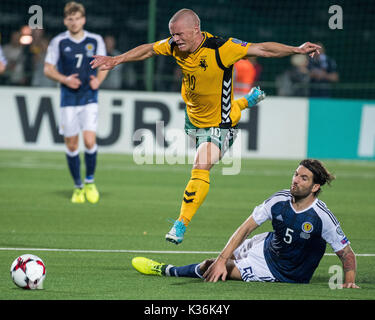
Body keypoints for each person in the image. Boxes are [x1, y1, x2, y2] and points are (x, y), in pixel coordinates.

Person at [90, 8, 321, 244]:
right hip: (192, 120)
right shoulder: (174, 45)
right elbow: (149, 49)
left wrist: (296, 49)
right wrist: (116, 59)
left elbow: (262, 48)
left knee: (201, 166)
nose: (175, 39)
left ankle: (181, 224)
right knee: (212, 131)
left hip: (220, 125)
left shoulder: (222, 48)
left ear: (196, 30)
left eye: (179, 34)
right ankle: (246, 101)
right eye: (173, 34)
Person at [132, 159, 359, 288]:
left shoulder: (321, 217)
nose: (295, 180)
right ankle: (218, 261)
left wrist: (349, 283)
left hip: (279, 272)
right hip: (267, 245)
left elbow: (347, 254)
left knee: (211, 268)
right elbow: (246, 228)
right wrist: (224, 257)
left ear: (315, 187)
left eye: (303, 178)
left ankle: (165, 270)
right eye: (295, 174)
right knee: (221, 260)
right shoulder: (279, 200)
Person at [44, 1, 108, 203]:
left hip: (89, 97)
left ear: (84, 19)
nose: (74, 22)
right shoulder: (58, 42)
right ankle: (78, 186)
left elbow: (105, 64)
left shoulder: (95, 40)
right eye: (70, 19)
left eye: (77, 18)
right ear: (65, 20)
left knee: (89, 140)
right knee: (72, 145)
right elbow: (48, 68)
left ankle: (90, 181)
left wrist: (98, 80)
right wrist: (65, 79)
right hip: (68, 99)